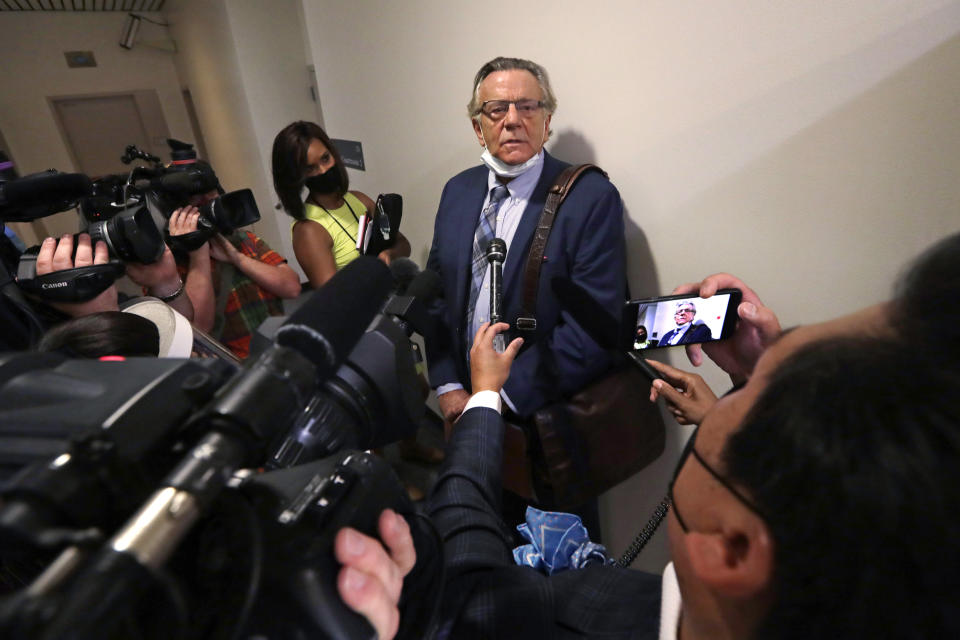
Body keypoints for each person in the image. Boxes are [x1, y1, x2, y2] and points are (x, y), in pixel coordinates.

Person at [425, 56, 627, 530]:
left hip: (544, 427)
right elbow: (436, 294)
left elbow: (595, 326)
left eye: (527, 106)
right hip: (464, 413)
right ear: (479, 128)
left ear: (547, 120)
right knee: (477, 544)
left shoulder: (590, 200)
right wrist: (451, 386)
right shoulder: (457, 191)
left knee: (557, 572)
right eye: (496, 109)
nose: (512, 120)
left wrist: (497, 399)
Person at [167, 187, 302, 359]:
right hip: (235, 367)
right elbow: (197, 330)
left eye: (211, 191)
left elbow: (292, 287)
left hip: (281, 349)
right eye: (196, 196)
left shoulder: (246, 240)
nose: (209, 199)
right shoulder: (172, 266)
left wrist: (237, 258)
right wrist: (199, 254)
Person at [271, 121, 410, 288]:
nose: (323, 170)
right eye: (311, 168)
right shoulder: (309, 230)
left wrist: (389, 254)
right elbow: (335, 299)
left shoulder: (359, 199)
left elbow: (403, 244)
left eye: (325, 158)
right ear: (297, 177)